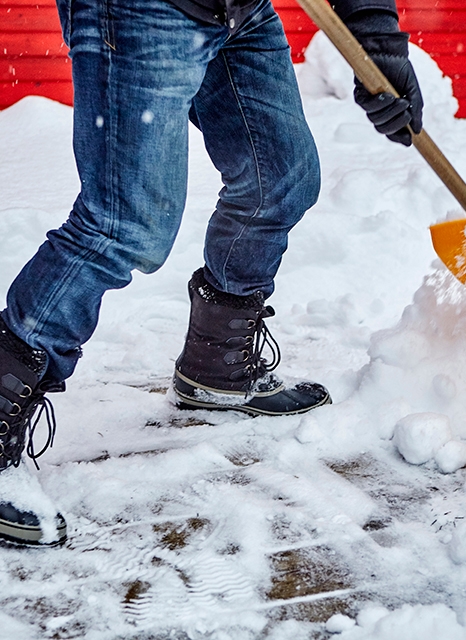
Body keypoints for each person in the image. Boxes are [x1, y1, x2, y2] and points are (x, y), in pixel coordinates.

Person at [0, 0, 423, 546]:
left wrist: (375, 39)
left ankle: (216, 366)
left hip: (238, 9)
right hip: (141, 10)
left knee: (281, 179)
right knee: (123, 223)